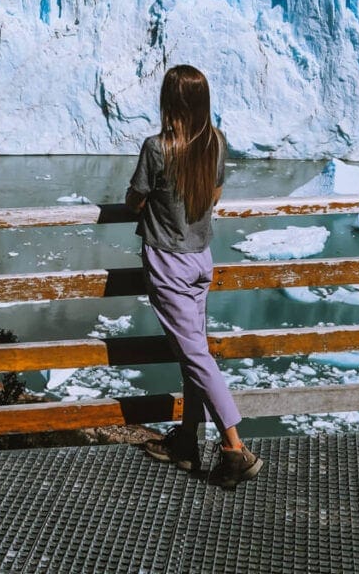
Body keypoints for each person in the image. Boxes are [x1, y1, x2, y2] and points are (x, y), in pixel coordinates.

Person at [125, 64, 262, 489]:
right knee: (193, 353)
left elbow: (134, 201)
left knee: (197, 358)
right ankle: (186, 440)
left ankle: (234, 447)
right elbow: (214, 195)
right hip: (201, 258)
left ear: (171, 102)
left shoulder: (157, 148)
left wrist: (156, 208)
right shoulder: (216, 143)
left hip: (168, 262)